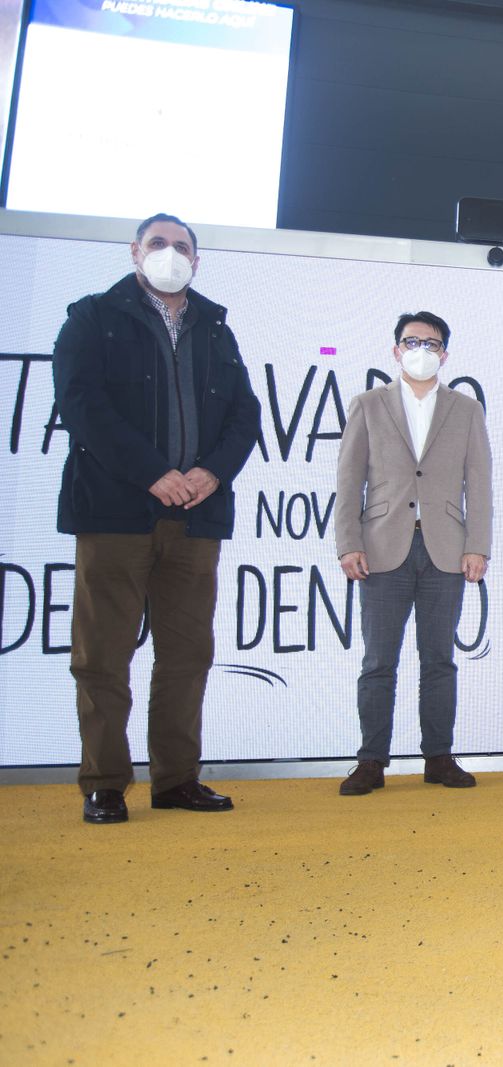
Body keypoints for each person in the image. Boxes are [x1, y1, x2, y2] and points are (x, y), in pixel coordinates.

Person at [52, 213, 262, 824]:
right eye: (158, 243)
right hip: (115, 511)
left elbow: (245, 414)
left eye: (181, 246)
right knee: (102, 654)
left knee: (187, 654)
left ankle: (176, 780)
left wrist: (212, 472)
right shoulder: (92, 317)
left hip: (196, 516)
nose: (170, 253)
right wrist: (151, 471)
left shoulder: (215, 327)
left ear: (196, 260)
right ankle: (105, 784)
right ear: (135, 252)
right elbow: (81, 405)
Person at [333, 312, 492, 794]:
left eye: (432, 343)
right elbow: (348, 480)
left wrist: (478, 545)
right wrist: (348, 542)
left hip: (447, 550)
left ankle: (439, 758)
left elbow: (479, 483)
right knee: (378, 662)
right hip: (382, 548)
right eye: (412, 341)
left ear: (445, 354)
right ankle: (371, 761)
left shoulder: (466, 409)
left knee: (439, 660)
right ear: (396, 350)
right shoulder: (368, 404)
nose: (422, 350)